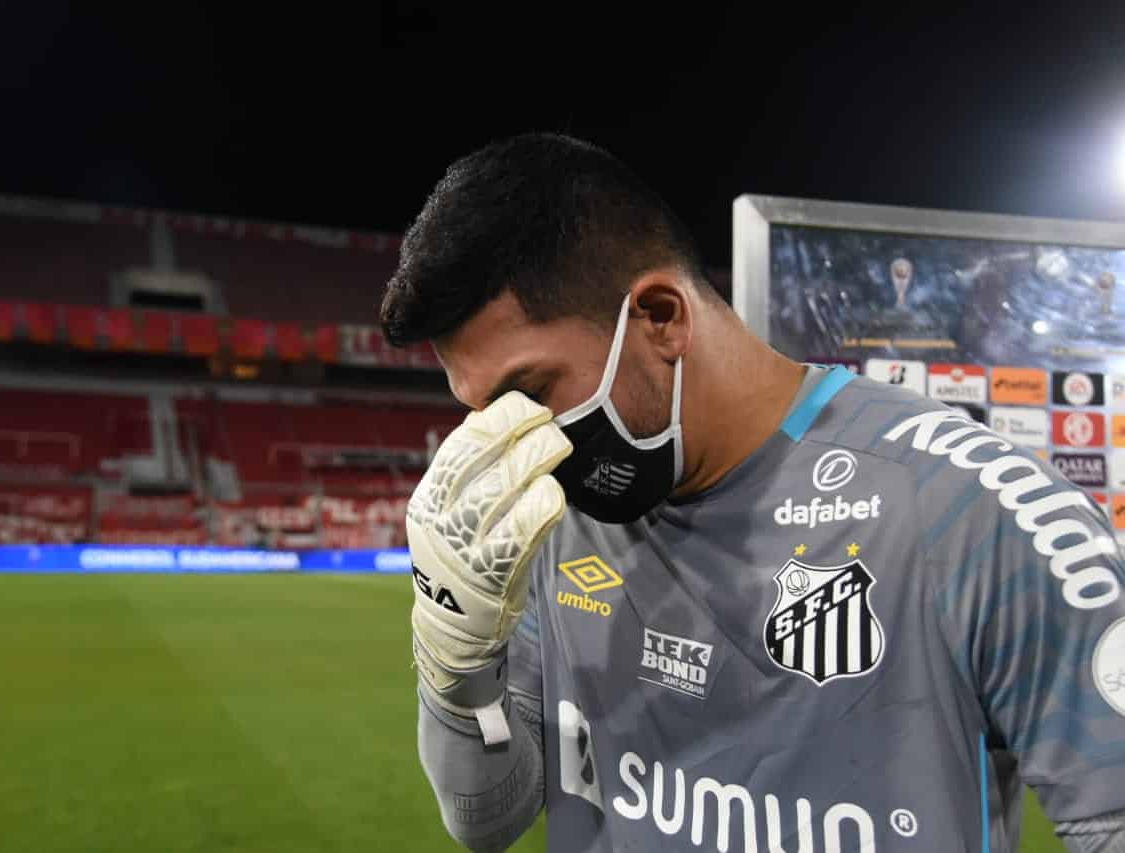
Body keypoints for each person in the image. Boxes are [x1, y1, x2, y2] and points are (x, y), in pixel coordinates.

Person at [379, 133, 1125, 853]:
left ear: (661, 318)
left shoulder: (973, 508)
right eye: (481, 410)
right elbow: (486, 818)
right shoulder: (549, 516)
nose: (512, 437)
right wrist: (456, 667)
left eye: (530, 390)